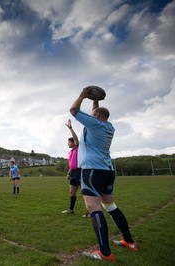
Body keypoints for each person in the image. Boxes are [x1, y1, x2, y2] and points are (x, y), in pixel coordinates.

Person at [70, 86, 138, 263]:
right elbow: (96, 113)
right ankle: (129, 241)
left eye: (94, 115)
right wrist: (95, 100)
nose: (92, 117)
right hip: (107, 171)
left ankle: (105, 253)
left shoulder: (95, 123)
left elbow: (73, 110)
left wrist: (82, 95)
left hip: (92, 171)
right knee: (110, 206)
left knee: (94, 209)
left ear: (97, 117)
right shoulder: (109, 126)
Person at [62, 119, 90, 218]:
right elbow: (71, 164)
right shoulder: (70, 152)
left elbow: (76, 139)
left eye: (69, 142)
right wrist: (69, 173)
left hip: (80, 172)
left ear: (73, 142)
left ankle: (89, 211)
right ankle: (71, 209)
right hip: (73, 172)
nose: (68, 144)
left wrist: (70, 128)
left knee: (84, 193)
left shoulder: (78, 148)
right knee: (72, 192)